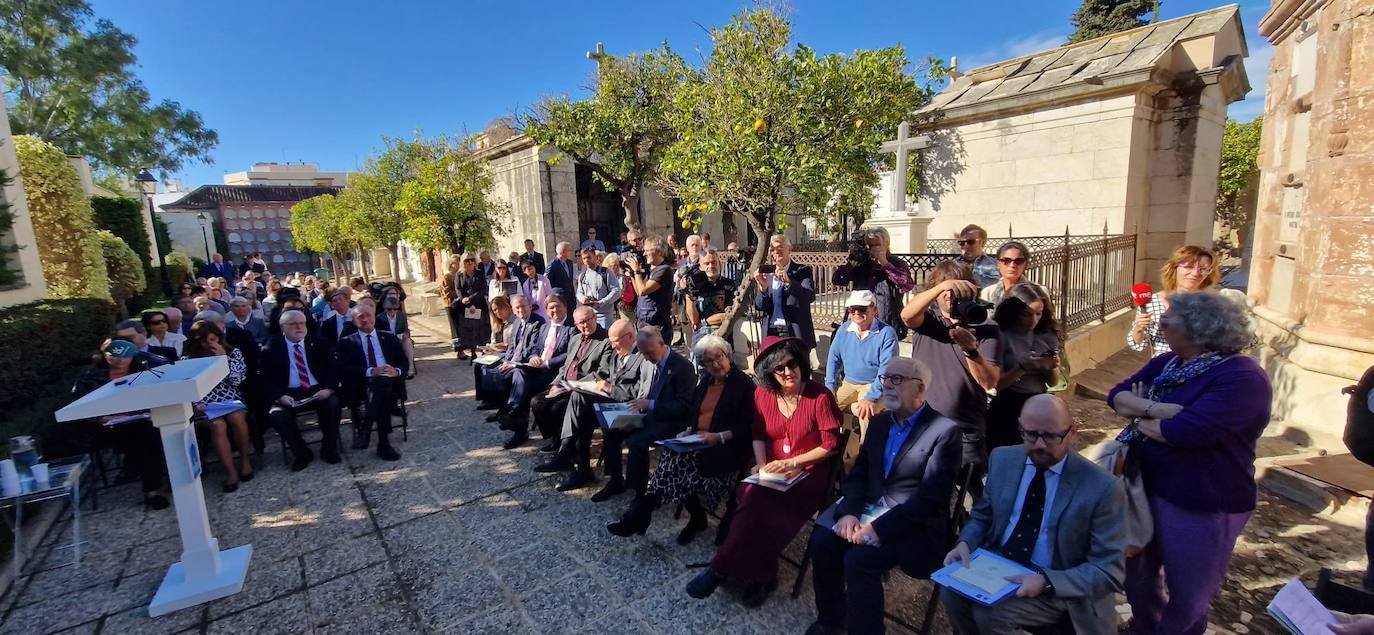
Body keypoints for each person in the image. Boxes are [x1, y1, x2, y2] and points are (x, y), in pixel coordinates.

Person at [1107, 291, 1270, 635]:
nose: (1161, 323)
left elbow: (1186, 432)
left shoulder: (1242, 377)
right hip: (1146, 491)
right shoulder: (1168, 363)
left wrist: (1140, 411)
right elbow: (1116, 395)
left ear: (1199, 328)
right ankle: (1145, 627)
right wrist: (1154, 412)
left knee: (1189, 594)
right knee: (1136, 579)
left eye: (1170, 319)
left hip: (1204, 502)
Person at [940, 394, 1125, 634]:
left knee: (991, 615)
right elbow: (983, 515)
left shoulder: (1102, 487)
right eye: (1031, 434)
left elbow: (1108, 570)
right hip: (999, 565)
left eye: (1050, 436)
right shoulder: (1004, 458)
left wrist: (1046, 582)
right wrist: (965, 543)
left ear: (1072, 432)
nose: (1039, 444)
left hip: (1056, 578)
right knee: (951, 593)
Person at [807, 357, 962, 635]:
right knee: (822, 540)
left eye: (898, 379)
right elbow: (859, 474)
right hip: (867, 510)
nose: (888, 385)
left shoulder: (944, 432)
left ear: (921, 389)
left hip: (913, 525)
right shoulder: (879, 423)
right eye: (885, 378)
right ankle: (830, 620)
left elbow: (931, 498)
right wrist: (850, 512)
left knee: (859, 560)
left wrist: (878, 529)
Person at [687, 336, 841, 608]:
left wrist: (793, 463)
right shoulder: (764, 395)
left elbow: (829, 447)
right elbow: (758, 433)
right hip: (773, 468)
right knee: (750, 494)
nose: (788, 371)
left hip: (810, 471)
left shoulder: (819, 396)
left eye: (792, 364)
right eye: (779, 368)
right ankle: (761, 574)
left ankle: (721, 568)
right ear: (770, 373)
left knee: (757, 501)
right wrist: (759, 463)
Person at [607, 334, 755, 543]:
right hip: (698, 443)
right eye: (708, 361)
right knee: (673, 455)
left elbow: (748, 426)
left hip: (724, 448)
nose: (715, 364)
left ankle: (646, 513)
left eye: (718, 357)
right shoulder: (705, 383)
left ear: (727, 355)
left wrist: (718, 437)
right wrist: (688, 430)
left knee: (678, 470)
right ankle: (652, 512)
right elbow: (693, 414)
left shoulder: (743, 385)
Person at [900, 260, 1002, 469]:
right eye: (946, 289)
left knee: (966, 498)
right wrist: (941, 286)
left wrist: (971, 351)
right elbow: (906, 314)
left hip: (964, 432)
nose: (950, 294)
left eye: (957, 288)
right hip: (922, 426)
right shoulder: (928, 321)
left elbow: (989, 382)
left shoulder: (986, 327)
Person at [534, 319, 653, 492]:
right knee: (580, 404)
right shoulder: (618, 353)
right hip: (609, 402)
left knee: (588, 413)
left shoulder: (643, 358)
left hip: (630, 408)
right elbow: (609, 377)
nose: (612, 347)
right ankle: (580, 466)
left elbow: (639, 394)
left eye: (615, 342)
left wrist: (610, 388)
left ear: (629, 337)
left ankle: (568, 455)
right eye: (611, 342)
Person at [590, 326, 695, 503]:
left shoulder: (682, 366)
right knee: (611, 429)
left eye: (649, 352)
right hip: (646, 414)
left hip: (671, 421)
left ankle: (639, 494)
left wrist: (651, 405)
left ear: (662, 344)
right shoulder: (648, 362)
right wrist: (632, 411)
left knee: (637, 441)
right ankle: (615, 481)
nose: (647, 357)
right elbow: (642, 392)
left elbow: (684, 406)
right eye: (644, 353)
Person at [67, 339, 170, 509]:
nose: (120, 360)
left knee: (147, 435)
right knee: (144, 440)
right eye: (114, 356)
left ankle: (152, 480)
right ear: (104, 356)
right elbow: (79, 407)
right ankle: (152, 490)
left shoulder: (144, 372)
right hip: (107, 428)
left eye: (125, 356)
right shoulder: (90, 378)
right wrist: (99, 418)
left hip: (142, 421)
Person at [986, 283, 1064, 451]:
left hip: (1038, 403)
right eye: (1026, 315)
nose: (1033, 320)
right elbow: (996, 384)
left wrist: (1051, 365)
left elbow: (1053, 381)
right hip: (1009, 406)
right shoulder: (1001, 336)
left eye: (1038, 314)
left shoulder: (1045, 335)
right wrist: (1024, 367)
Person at [264, 310, 343, 471]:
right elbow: (265, 379)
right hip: (289, 394)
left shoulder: (319, 342)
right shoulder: (272, 347)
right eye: (293, 324)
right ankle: (301, 453)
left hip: (318, 390)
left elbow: (334, 369)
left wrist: (328, 389)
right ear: (283, 327)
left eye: (301, 323)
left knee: (333, 405)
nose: (298, 327)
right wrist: (279, 397)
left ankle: (329, 449)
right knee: (277, 415)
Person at [526, 306, 610, 453]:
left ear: (595, 318)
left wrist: (573, 384)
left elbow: (602, 373)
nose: (585, 325)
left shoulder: (605, 341)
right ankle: (556, 439)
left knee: (558, 407)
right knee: (537, 402)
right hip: (564, 385)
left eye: (588, 320)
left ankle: (566, 448)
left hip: (583, 389)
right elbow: (566, 366)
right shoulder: (576, 338)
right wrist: (555, 383)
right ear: (576, 324)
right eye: (580, 323)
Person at [825, 290, 899, 454]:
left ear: (874, 309)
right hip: (849, 382)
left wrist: (871, 396)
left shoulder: (886, 334)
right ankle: (838, 451)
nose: (857, 313)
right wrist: (830, 385)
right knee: (826, 407)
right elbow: (833, 358)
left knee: (865, 412)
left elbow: (886, 369)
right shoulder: (844, 330)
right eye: (852, 309)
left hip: (872, 384)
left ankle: (865, 457)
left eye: (862, 309)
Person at [183, 321, 254, 492]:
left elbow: (236, 381)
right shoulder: (188, 359)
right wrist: (195, 403)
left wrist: (224, 359)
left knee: (236, 417)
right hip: (205, 402)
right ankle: (230, 472)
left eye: (213, 339)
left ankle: (245, 461)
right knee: (218, 425)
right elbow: (186, 386)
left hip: (230, 397)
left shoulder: (233, 353)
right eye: (204, 341)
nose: (209, 344)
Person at [496, 295, 572, 445]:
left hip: (553, 372)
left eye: (558, 306)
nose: (554, 310)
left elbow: (569, 354)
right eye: (551, 308)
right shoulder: (545, 327)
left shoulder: (571, 329)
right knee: (517, 374)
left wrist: (548, 363)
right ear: (546, 311)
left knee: (523, 385)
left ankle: (517, 419)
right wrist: (533, 357)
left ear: (566, 308)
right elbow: (535, 348)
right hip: (536, 368)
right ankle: (517, 418)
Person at [336, 302, 408, 461]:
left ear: (374, 317)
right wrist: (370, 371)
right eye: (360, 317)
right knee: (380, 388)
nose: (365, 320)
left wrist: (396, 371)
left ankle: (366, 428)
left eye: (368, 315)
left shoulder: (389, 337)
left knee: (381, 384)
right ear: (353, 321)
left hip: (390, 383)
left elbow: (403, 362)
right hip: (361, 386)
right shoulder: (346, 342)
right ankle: (383, 444)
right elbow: (343, 369)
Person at [1128, 244, 1221, 358]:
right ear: (1174, 267)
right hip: (1164, 369)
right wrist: (1139, 328)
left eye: (1203, 269)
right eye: (1189, 267)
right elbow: (1138, 345)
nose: (1196, 273)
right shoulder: (1152, 303)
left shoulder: (1212, 304)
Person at [832, 226, 916, 339]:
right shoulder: (862, 263)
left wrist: (884, 263)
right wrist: (850, 264)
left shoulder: (896, 263)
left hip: (885, 323)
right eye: (869, 245)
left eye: (875, 245)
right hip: (860, 322)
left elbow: (907, 285)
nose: (872, 249)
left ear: (886, 244)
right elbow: (838, 280)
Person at [477, 294, 547, 415]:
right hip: (512, 359)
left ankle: (513, 411)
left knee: (511, 374)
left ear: (530, 307)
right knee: (488, 368)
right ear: (513, 311)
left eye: (523, 306)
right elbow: (512, 347)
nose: (520, 310)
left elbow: (532, 348)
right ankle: (498, 406)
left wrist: (512, 363)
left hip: (525, 362)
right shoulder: (517, 323)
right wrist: (506, 361)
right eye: (517, 308)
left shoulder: (538, 322)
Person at [753, 234, 817, 348]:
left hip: (794, 332)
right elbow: (759, 306)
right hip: (772, 332)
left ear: (790, 249)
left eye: (780, 247)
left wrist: (789, 282)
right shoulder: (767, 274)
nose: (776, 251)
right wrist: (763, 289)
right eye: (773, 249)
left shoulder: (803, 271)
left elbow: (809, 296)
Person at [683, 250, 737, 366]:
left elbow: (728, 315)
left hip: (723, 335)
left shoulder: (728, 285)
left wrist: (704, 321)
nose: (711, 266)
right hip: (701, 338)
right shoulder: (695, 286)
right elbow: (693, 320)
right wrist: (688, 294)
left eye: (714, 262)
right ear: (700, 266)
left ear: (719, 264)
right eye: (706, 263)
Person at [625, 235, 675, 345]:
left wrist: (637, 271)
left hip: (657, 325)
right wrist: (633, 274)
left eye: (647, 250)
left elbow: (643, 290)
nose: (644, 254)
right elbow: (639, 292)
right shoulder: (650, 270)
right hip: (643, 322)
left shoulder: (664, 270)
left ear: (659, 251)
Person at [981, 241, 1049, 307]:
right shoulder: (988, 292)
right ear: (998, 264)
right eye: (1006, 260)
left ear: (1025, 264)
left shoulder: (1039, 291)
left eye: (1018, 261)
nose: (1012, 265)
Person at [449, 254, 488, 360]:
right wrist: (463, 299)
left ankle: (484, 350)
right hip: (466, 306)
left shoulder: (480, 273)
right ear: (463, 262)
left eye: (472, 260)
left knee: (481, 328)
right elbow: (458, 289)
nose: (470, 262)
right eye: (467, 260)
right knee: (470, 329)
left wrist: (471, 298)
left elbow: (483, 289)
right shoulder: (459, 274)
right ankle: (472, 351)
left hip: (478, 304)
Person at [377, 285, 416, 379]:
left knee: (407, 341)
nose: (392, 311)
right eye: (390, 294)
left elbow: (406, 330)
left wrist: (405, 335)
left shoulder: (401, 316)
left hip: (399, 339)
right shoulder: (379, 317)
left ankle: (410, 368)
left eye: (394, 294)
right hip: (385, 341)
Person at [576, 247, 620, 328]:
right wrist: (583, 298)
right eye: (584, 258)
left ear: (595, 257)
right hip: (589, 316)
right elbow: (579, 292)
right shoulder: (582, 275)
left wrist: (601, 303)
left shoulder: (606, 272)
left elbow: (616, 291)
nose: (586, 260)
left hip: (605, 316)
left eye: (589, 257)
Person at [953, 224, 1000, 289]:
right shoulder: (952, 266)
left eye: (970, 242)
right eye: (962, 243)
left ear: (982, 242)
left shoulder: (996, 265)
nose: (965, 246)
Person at [113, 319, 178, 362]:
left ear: (144, 334)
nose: (126, 341)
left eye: (130, 337)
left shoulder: (167, 352)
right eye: (121, 338)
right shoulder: (114, 358)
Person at [546, 242, 579, 324]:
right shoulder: (553, 264)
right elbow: (547, 281)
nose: (571, 252)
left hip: (571, 296)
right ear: (563, 251)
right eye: (569, 250)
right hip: (559, 296)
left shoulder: (570, 263)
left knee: (571, 319)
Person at [605, 253, 636, 323]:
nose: (616, 268)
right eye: (614, 266)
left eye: (618, 265)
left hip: (623, 314)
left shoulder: (624, 278)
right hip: (608, 313)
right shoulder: (603, 279)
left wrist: (623, 294)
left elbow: (631, 297)